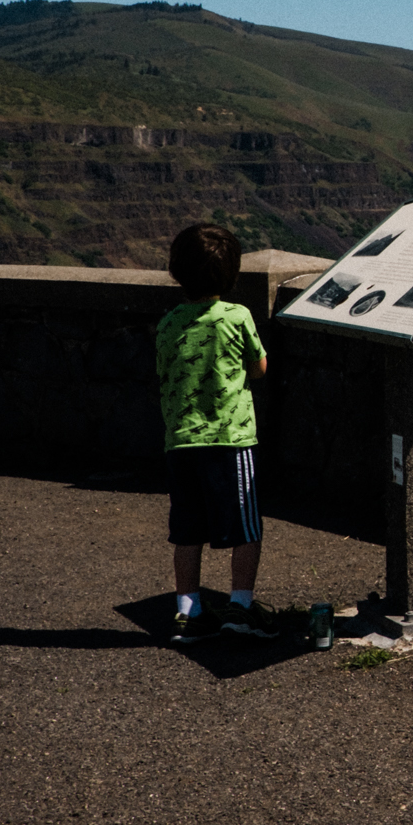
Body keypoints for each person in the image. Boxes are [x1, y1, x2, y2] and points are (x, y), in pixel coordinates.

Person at [155, 223, 277, 644]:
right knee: (245, 527)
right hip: (230, 441)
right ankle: (240, 607)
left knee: (187, 531)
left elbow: (163, 373)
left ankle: (188, 612)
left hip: (181, 443)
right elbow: (259, 368)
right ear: (232, 275)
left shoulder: (168, 322)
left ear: (176, 272)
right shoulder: (237, 316)